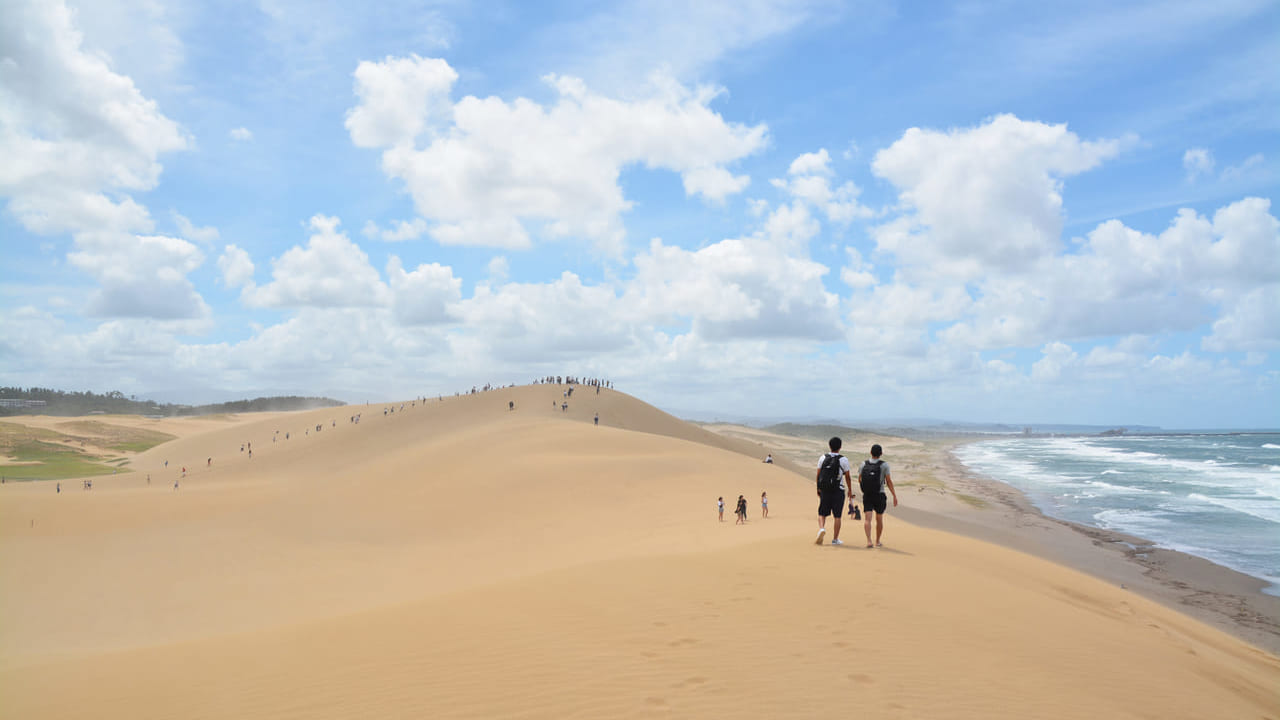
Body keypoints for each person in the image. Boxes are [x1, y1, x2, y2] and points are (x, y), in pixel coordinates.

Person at [814, 437, 853, 546]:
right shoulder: (843, 460)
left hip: (825, 489)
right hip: (838, 490)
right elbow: (848, 477)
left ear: (829, 446)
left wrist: (818, 488)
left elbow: (818, 474)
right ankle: (835, 539)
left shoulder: (823, 458)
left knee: (822, 513)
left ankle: (822, 528)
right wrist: (850, 490)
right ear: (840, 447)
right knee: (837, 516)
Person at [859, 444, 899, 548]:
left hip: (867, 494)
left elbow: (860, 479)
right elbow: (889, 481)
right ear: (881, 454)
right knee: (879, 519)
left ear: (870, 452)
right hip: (879, 494)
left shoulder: (863, 464)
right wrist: (894, 495)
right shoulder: (884, 465)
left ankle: (869, 541)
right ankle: (877, 541)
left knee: (867, 519)